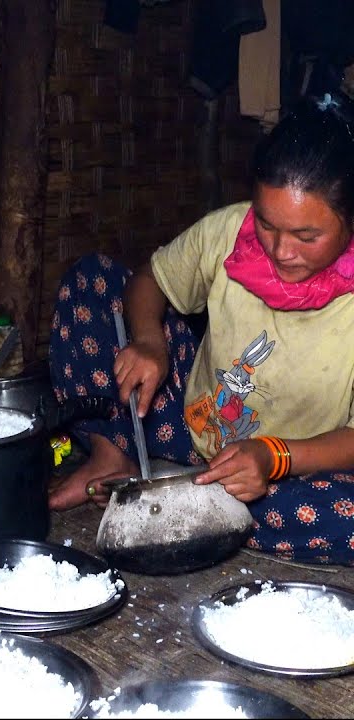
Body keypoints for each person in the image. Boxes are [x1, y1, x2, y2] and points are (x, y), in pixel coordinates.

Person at [48, 94, 354, 565]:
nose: (280, 250)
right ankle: (115, 454)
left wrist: (274, 457)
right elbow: (150, 281)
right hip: (185, 429)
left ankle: (215, 506)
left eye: (307, 237)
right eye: (269, 225)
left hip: (290, 474)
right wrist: (149, 341)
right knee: (94, 280)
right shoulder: (231, 231)